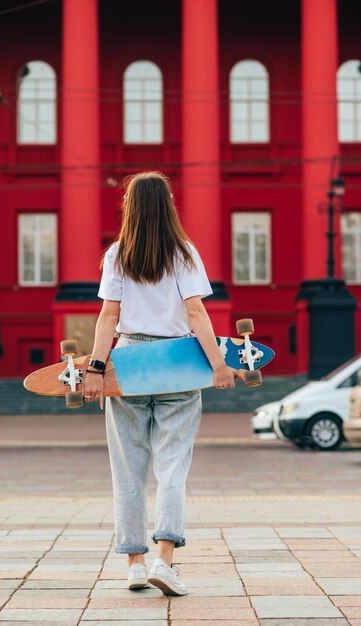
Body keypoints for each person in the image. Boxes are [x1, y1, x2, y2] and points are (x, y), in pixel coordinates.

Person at [83, 171, 244, 596]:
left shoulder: (118, 253)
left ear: (129, 207)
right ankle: (165, 560)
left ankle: (135, 564)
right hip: (176, 364)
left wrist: (96, 370)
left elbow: (108, 318)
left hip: (130, 364)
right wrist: (218, 365)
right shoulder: (184, 252)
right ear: (169, 205)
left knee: (128, 471)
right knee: (173, 467)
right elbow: (195, 314)